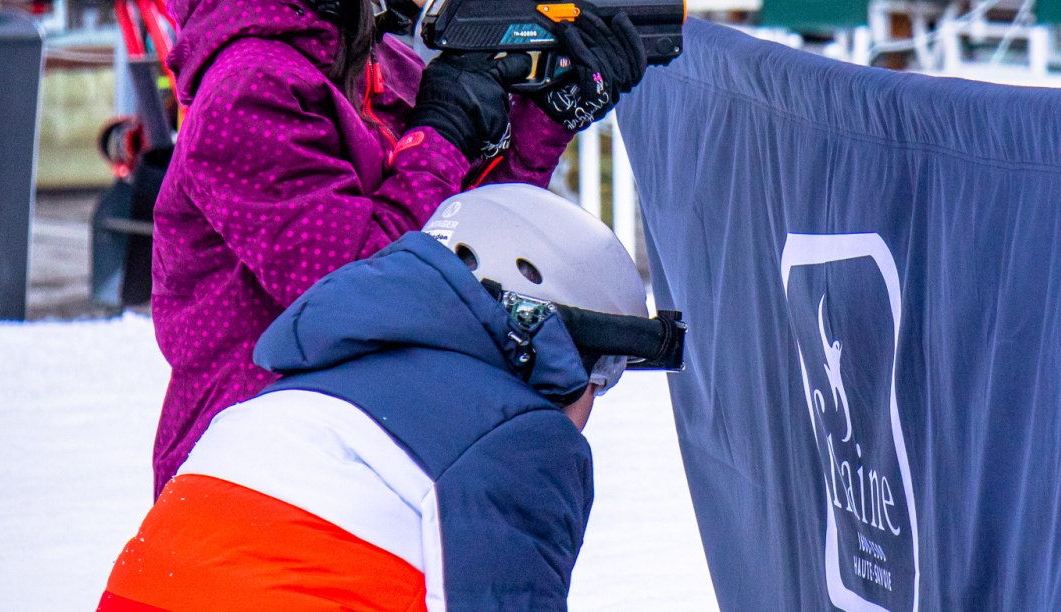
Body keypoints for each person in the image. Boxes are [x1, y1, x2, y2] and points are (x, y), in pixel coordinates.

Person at [150, 0, 647, 496]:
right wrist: (441, 132)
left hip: (362, 444)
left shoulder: (374, 62)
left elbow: (463, 248)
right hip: (264, 473)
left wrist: (548, 115)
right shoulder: (252, 93)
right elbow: (358, 291)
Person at [101, 184, 672, 612]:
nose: (595, 393)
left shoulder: (295, 392)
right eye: (602, 365)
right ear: (538, 337)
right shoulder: (515, 435)